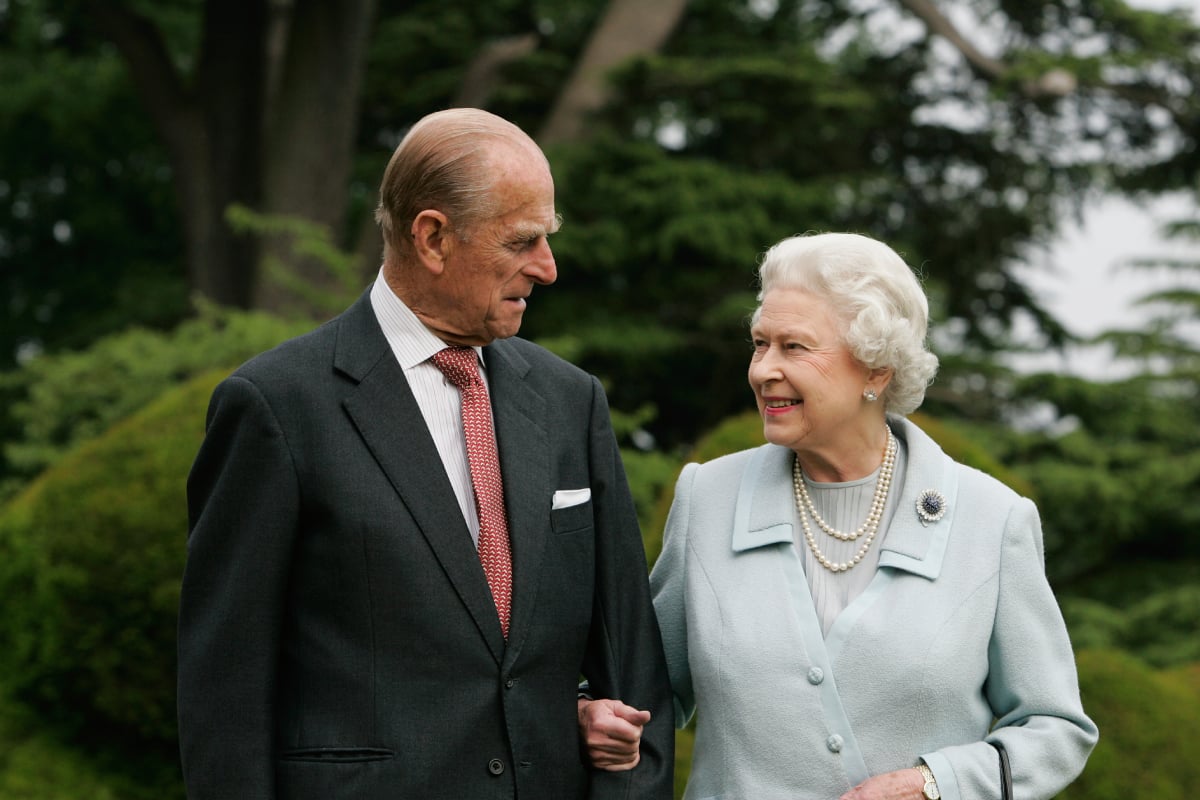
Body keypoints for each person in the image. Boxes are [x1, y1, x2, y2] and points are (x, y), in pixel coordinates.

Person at [178, 108, 673, 800]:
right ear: (433, 237)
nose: (548, 268)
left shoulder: (571, 402)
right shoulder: (275, 407)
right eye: (522, 241)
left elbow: (633, 670)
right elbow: (223, 694)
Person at [606, 232, 1098, 798]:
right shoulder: (708, 497)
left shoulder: (993, 521)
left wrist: (937, 785)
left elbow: (1056, 728)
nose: (764, 370)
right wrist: (598, 715)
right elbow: (642, 694)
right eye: (759, 344)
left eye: (794, 347)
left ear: (877, 370)